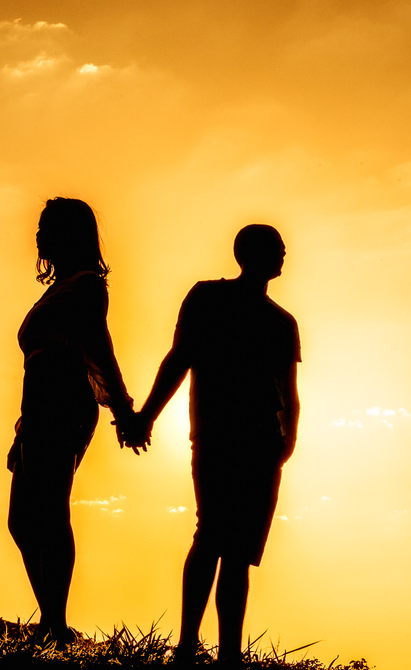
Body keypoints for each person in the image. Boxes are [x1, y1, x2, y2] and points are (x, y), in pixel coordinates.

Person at [128, 224, 301, 664]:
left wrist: (288, 441)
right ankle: (187, 644)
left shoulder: (283, 322)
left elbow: (289, 388)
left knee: (239, 551)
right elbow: (178, 360)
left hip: (264, 441)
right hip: (217, 431)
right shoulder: (207, 297)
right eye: (276, 248)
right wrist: (147, 415)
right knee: (211, 535)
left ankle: (228, 655)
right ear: (249, 253)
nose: (283, 254)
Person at [8, 197, 137, 646]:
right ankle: (52, 620)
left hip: (63, 403)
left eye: (47, 226)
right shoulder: (59, 287)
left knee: (48, 509)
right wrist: (23, 428)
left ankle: (55, 625)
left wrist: (122, 409)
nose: (39, 233)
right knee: (22, 521)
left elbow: (98, 349)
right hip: (38, 407)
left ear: (69, 233)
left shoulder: (85, 286)